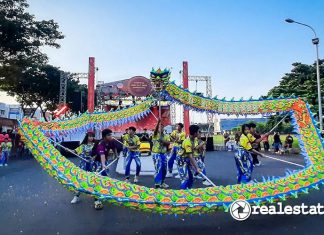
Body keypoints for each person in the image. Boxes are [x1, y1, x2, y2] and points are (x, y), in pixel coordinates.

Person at [93, 128, 118, 209]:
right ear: (104, 136)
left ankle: (107, 194)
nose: (111, 136)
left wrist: (116, 155)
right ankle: (97, 200)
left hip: (104, 162)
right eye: (109, 135)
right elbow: (102, 155)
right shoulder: (101, 143)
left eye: (111, 134)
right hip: (97, 163)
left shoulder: (111, 141)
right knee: (96, 180)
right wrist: (103, 164)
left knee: (106, 179)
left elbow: (114, 148)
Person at [71, 130, 96, 204]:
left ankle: (96, 199)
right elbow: (75, 151)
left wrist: (93, 157)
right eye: (90, 136)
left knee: (93, 181)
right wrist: (70, 150)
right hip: (83, 165)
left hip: (92, 165)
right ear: (87, 137)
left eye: (92, 136)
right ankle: (76, 196)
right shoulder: (83, 146)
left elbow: (97, 153)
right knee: (81, 181)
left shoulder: (95, 145)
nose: (91, 138)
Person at [176, 124, 201, 189]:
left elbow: (191, 155)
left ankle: (188, 192)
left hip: (186, 159)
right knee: (185, 178)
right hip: (181, 160)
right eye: (198, 132)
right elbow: (190, 156)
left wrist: (195, 166)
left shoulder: (194, 140)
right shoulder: (187, 142)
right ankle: (182, 195)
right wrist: (197, 168)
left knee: (190, 177)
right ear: (195, 133)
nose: (199, 133)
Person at [151, 120, 171, 188]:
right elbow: (155, 130)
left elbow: (168, 143)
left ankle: (162, 182)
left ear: (163, 128)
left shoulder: (166, 136)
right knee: (158, 168)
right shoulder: (155, 135)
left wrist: (163, 141)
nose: (160, 128)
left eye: (162, 127)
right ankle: (157, 185)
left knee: (164, 169)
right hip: (156, 154)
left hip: (163, 154)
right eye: (159, 127)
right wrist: (158, 122)